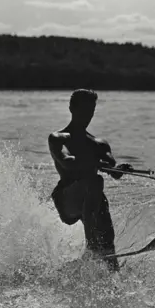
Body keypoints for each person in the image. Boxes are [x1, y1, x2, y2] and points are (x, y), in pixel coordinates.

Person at [48, 89, 133, 272]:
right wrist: (94, 161)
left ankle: (113, 278)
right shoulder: (58, 138)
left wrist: (118, 169)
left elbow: (113, 169)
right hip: (67, 199)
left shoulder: (99, 144)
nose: (88, 115)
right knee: (95, 181)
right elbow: (67, 162)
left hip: (92, 200)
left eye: (91, 110)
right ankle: (91, 247)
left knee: (107, 234)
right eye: (84, 110)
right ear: (71, 108)